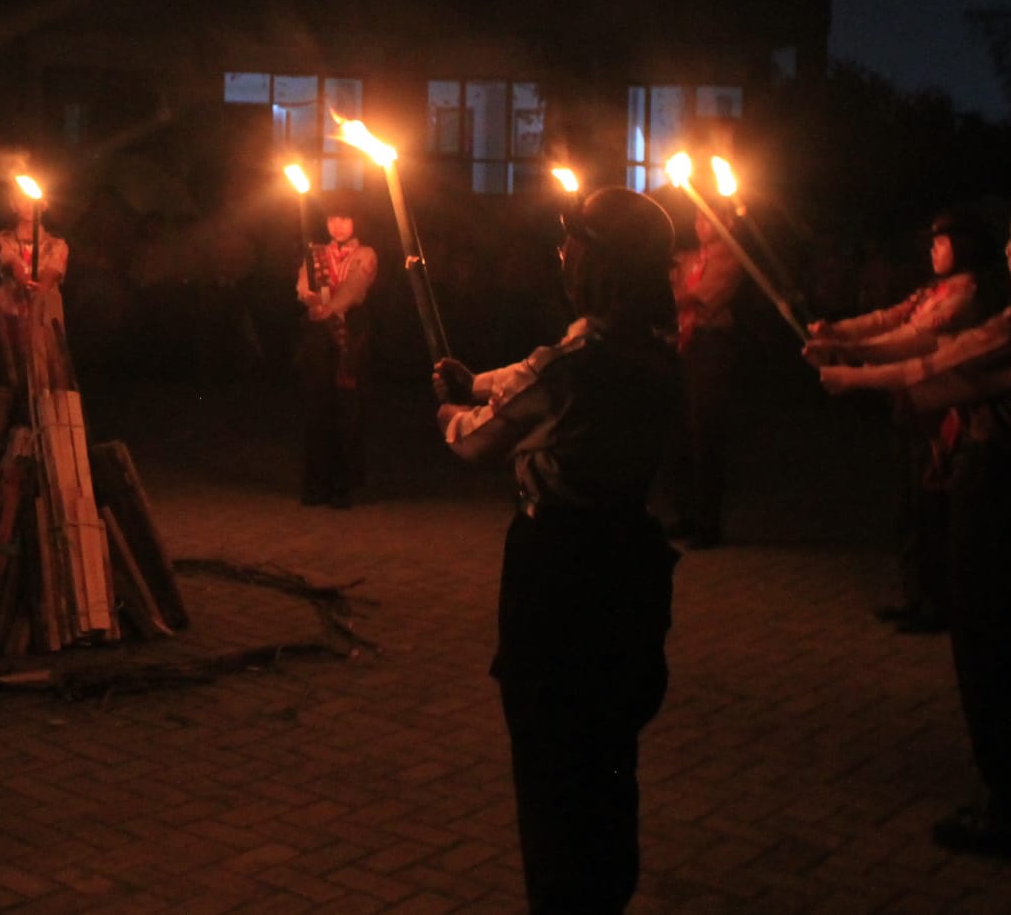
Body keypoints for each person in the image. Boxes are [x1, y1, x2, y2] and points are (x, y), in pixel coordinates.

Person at [432, 187, 682, 915]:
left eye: (573, 242)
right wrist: (476, 380)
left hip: (559, 574)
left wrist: (452, 410)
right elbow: (536, 379)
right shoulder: (657, 354)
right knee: (607, 757)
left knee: (550, 763)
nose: (561, 252)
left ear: (601, 265)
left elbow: (479, 439)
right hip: (628, 564)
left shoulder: (571, 366)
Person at [816, 188, 1011, 858]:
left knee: (994, 653)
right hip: (1007, 489)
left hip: (1002, 493)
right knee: (1001, 652)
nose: (1006, 250)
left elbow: (940, 364)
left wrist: (852, 379)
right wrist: (845, 345)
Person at [807, 209, 1002, 632]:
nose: (933, 249)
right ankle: (917, 595)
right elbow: (887, 318)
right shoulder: (934, 290)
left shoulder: (964, 296)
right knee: (910, 505)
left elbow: (909, 340)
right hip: (911, 405)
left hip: (941, 416)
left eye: (942, 242)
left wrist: (848, 355)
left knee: (932, 505)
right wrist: (837, 330)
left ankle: (939, 603)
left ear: (964, 248)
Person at [668, 200, 744, 547]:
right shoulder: (691, 257)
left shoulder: (729, 258)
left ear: (725, 221)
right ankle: (685, 514)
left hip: (711, 347)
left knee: (706, 433)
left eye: (707, 218)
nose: (699, 223)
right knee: (682, 431)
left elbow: (696, 299)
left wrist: (675, 292)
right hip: (686, 346)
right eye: (697, 216)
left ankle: (707, 523)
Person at [296, 191, 376, 509]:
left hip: (350, 333)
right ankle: (316, 483)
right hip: (319, 336)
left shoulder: (366, 254)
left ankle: (345, 484)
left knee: (348, 406)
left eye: (344, 218)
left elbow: (356, 286)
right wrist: (313, 302)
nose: (338, 225)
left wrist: (330, 308)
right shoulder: (314, 253)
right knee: (317, 406)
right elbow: (304, 286)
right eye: (332, 219)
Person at [0, 185, 70, 393]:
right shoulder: (4, 239)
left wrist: (41, 288)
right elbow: (11, 262)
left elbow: (53, 271)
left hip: (45, 316)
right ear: (13, 204)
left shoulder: (57, 244)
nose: (28, 206)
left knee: (50, 367)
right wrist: (23, 279)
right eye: (21, 199)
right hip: (13, 313)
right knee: (17, 371)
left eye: (32, 200)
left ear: (43, 204)